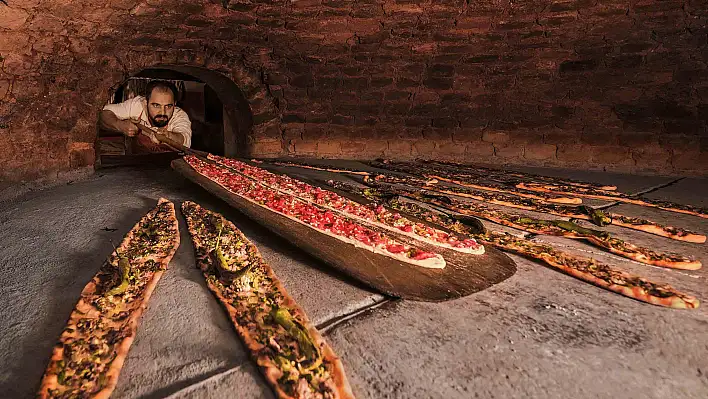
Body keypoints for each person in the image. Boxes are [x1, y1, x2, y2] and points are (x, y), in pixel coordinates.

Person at [99, 80, 192, 153]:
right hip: (134, 166)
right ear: (146, 102)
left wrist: (168, 136)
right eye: (156, 105)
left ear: (174, 104)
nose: (162, 112)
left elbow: (182, 138)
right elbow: (103, 113)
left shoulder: (180, 116)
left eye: (168, 106)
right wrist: (119, 125)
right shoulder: (136, 105)